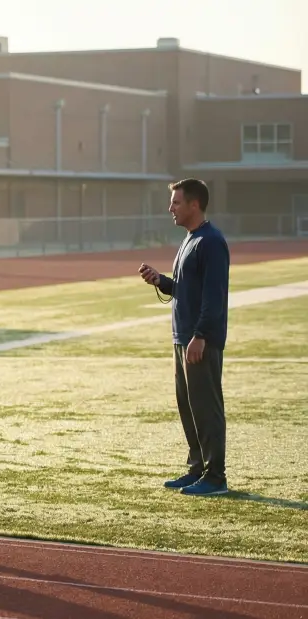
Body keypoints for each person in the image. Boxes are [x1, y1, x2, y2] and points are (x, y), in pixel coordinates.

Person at [137, 178, 230, 497]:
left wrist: (201, 335)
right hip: (183, 338)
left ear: (194, 204)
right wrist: (161, 281)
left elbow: (213, 296)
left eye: (176, 202)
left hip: (199, 339)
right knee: (188, 406)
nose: (170, 208)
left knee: (206, 406)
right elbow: (186, 289)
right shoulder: (190, 240)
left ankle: (216, 476)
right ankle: (197, 468)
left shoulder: (211, 241)